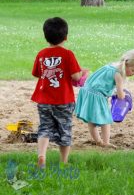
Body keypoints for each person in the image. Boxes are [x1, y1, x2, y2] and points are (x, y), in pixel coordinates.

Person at [31, 17, 82, 168]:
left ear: (45, 36)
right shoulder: (68, 54)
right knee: (64, 129)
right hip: (63, 100)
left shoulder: (41, 54)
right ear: (65, 37)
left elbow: (36, 73)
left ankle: (42, 156)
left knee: (45, 128)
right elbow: (76, 76)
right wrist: (82, 73)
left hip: (44, 99)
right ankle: (64, 162)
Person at [75, 49, 134, 148]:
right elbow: (121, 96)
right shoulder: (119, 75)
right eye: (133, 70)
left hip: (87, 91)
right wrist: (125, 96)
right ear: (126, 64)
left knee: (91, 121)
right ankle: (106, 142)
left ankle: (97, 141)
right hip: (97, 96)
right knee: (106, 121)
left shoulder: (110, 66)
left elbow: (101, 81)